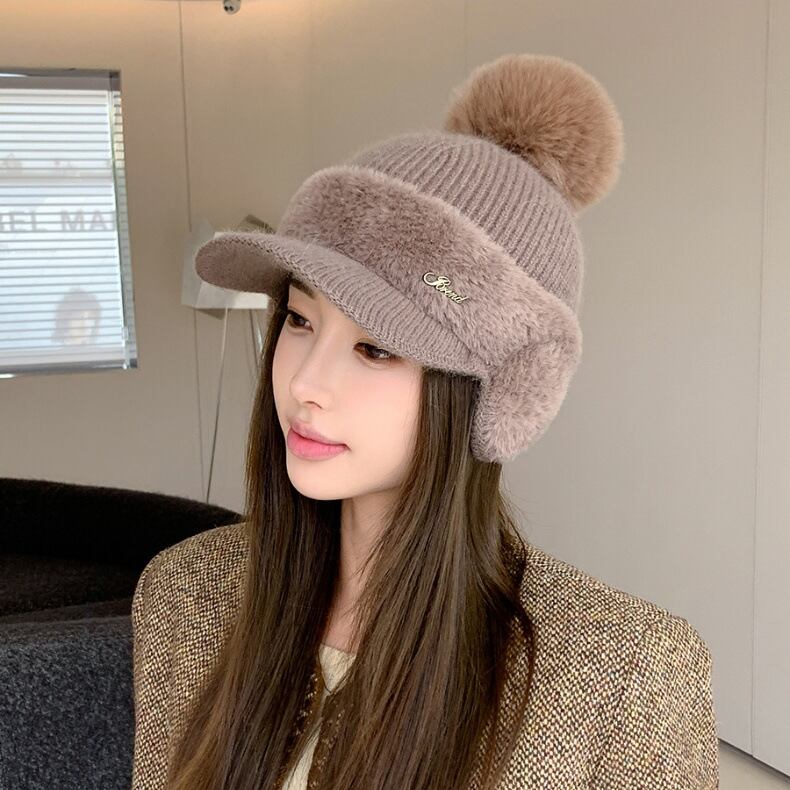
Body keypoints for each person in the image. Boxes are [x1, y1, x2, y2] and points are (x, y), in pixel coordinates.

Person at [131, 53, 719, 789]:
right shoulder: (187, 594)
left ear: (493, 395)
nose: (305, 383)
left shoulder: (623, 677)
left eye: (376, 348)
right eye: (301, 321)